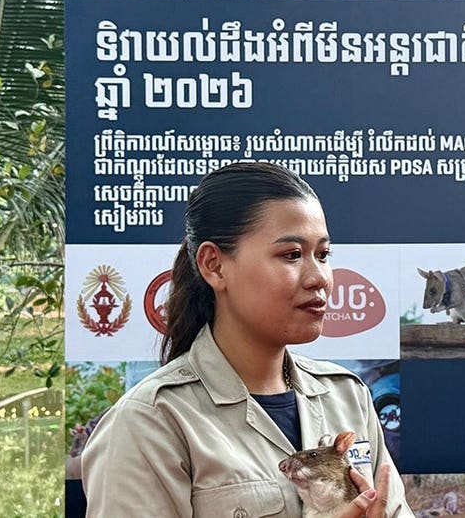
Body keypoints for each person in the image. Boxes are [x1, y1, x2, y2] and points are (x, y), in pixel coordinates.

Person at [82, 162, 412, 517]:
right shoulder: (151, 421)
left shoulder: (348, 396)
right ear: (214, 265)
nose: (320, 278)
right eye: (291, 255)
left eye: (323, 255)